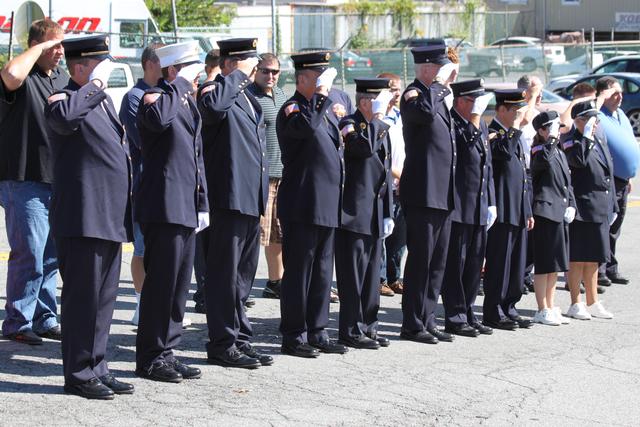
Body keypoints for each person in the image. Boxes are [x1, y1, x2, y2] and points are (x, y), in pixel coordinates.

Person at [46, 35, 134, 400]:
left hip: (108, 216)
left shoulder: (97, 102)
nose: (104, 74)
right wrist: (97, 84)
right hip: (82, 217)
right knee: (83, 300)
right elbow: (65, 120)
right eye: (98, 66)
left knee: (103, 300)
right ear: (80, 66)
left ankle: (97, 365)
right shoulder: (62, 99)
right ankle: (79, 374)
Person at [134, 41, 208, 383]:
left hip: (185, 206)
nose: (198, 77)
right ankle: (150, 356)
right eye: (191, 70)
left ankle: (167, 351)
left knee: (178, 286)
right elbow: (158, 122)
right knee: (161, 285)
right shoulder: (155, 98)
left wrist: (202, 202)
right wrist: (177, 84)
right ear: (174, 70)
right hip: (162, 206)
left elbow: (197, 158)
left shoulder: (187, 103)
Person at [198, 38, 271, 369]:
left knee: (243, 276)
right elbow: (213, 112)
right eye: (244, 62)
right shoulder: (214, 90)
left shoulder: (247, 98)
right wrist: (235, 77)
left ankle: (240, 337)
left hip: (248, 198)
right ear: (228, 64)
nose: (251, 70)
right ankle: (222, 342)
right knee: (225, 275)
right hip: (227, 198)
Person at [276, 51, 348, 358]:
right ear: (303, 78)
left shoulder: (326, 109)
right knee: (299, 272)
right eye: (319, 80)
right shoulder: (293, 109)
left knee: (321, 271)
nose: (325, 87)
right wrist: (319, 97)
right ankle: (294, 334)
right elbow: (304, 130)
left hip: (327, 203)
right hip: (303, 204)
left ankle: (318, 330)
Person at [0, 19, 67, 345]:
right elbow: (10, 75)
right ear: (37, 46)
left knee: (51, 257)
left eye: (61, 45)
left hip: (56, 179)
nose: (60, 52)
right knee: (30, 254)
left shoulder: (60, 77)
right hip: (24, 179)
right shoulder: (22, 77)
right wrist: (38, 47)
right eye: (54, 46)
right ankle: (17, 322)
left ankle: (44, 317)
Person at [399, 40, 458, 345]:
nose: (445, 73)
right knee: (421, 260)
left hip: (442, 192)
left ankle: (428, 318)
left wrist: (441, 88)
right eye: (439, 67)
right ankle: (411, 323)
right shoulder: (415, 94)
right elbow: (421, 115)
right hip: (422, 191)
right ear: (426, 68)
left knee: (438, 262)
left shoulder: (438, 96)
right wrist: (436, 85)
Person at [335, 78, 394, 350]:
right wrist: (377, 120)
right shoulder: (350, 124)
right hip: (354, 212)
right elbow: (362, 149)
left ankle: (369, 326)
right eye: (380, 99)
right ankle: (351, 329)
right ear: (365, 102)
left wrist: (389, 210)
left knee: (372, 275)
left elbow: (385, 169)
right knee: (353, 276)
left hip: (375, 211)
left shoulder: (380, 128)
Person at [441, 79, 495, 338]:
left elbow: (488, 166)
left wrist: (491, 201)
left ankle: (470, 312)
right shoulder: (453, 122)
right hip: (459, 206)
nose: (478, 106)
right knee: (457, 264)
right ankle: (455, 315)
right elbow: (464, 148)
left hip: (479, 205)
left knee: (474, 264)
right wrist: (474, 118)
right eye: (474, 100)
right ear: (461, 100)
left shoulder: (480, 125)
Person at [119, 45, 163, 325]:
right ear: (149, 64)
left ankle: (157, 303)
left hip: (168, 184)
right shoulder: (134, 98)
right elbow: (143, 141)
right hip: (146, 182)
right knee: (143, 248)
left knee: (161, 249)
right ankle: (140, 304)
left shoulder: (168, 93)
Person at [483, 89, 534, 331]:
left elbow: (525, 175)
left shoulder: (515, 135)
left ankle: (510, 306)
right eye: (514, 109)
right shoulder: (493, 133)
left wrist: (528, 210)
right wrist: (513, 129)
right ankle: (494, 310)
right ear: (501, 109)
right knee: (499, 264)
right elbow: (501, 155)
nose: (518, 114)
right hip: (502, 209)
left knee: (516, 263)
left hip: (518, 210)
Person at [563, 100, 617, 320]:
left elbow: (608, 173)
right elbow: (578, 161)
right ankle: (575, 302)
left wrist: (612, 203)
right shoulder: (572, 142)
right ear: (579, 121)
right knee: (578, 257)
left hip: (600, 206)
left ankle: (592, 301)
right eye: (591, 120)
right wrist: (584, 136)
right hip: (583, 207)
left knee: (594, 257)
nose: (595, 125)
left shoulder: (598, 139)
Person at [248, 53, 288, 299]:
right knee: (255, 235)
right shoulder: (250, 97)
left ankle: (276, 282)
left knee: (278, 234)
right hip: (260, 176)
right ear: (256, 71)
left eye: (275, 72)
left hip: (283, 174)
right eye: (265, 71)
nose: (270, 76)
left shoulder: (282, 96)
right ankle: (241, 286)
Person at [529, 111, 574, 326]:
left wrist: (571, 204)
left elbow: (567, 181)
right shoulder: (540, 150)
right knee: (545, 263)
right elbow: (542, 163)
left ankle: (551, 304)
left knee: (555, 264)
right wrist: (552, 140)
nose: (557, 132)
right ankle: (541, 307)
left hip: (559, 209)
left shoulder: (559, 150)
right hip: (545, 212)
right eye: (552, 128)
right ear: (542, 130)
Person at [595, 76, 639, 286]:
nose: (620, 96)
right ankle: (600, 269)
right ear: (603, 95)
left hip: (623, 180)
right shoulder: (598, 115)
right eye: (614, 93)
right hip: (607, 180)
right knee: (605, 225)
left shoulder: (620, 114)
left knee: (616, 226)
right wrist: (599, 100)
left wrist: (629, 175)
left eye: (621, 92)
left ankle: (611, 266)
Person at [192, 47, 222, 314]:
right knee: (204, 245)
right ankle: (203, 292)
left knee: (213, 244)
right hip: (207, 177)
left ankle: (213, 291)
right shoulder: (207, 91)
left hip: (216, 178)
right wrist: (211, 79)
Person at [376, 72, 406, 298]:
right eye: (391, 89)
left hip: (402, 185)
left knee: (399, 237)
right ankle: (380, 278)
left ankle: (395, 277)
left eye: (398, 89)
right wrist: (398, 173)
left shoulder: (400, 116)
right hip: (385, 183)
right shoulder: (379, 119)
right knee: (382, 234)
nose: (396, 94)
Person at [516, 75, 543, 294]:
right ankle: (519, 273)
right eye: (536, 92)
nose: (540, 97)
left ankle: (526, 272)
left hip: (537, 174)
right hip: (522, 174)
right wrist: (531, 98)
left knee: (535, 230)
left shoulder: (538, 114)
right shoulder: (521, 113)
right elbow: (524, 121)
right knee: (523, 227)